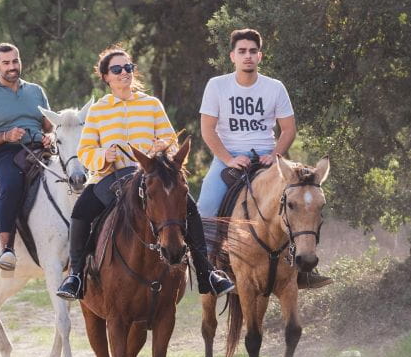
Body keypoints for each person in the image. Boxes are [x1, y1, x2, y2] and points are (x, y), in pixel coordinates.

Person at [56, 47, 235, 300]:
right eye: (116, 70)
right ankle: (75, 275)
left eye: (128, 67)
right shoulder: (98, 110)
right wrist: (101, 156)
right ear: (106, 76)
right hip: (111, 177)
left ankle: (207, 272)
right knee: (81, 211)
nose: (124, 73)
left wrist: (160, 148)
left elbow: (170, 141)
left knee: (191, 208)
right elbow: (85, 151)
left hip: (151, 176)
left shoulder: (151, 104)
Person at [198, 28, 330, 288]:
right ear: (232, 56)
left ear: (260, 56)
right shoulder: (217, 85)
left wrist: (274, 155)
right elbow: (207, 130)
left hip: (270, 159)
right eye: (242, 51)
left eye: (252, 51)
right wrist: (228, 159)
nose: (247, 56)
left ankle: (304, 269)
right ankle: (210, 273)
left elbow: (289, 129)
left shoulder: (274, 87)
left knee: (305, 198)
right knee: (204, 211)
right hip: (229, 158)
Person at [0, 43, 53, 271]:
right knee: (13, 184)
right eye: (6, 63)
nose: (12, 67)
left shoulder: (36, 91)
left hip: (40, 149)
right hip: (7, 152)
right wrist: (6, 135)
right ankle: (7, 248)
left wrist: (50, 137)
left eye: (15, 61)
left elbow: (50, 126)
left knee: (70, 177)